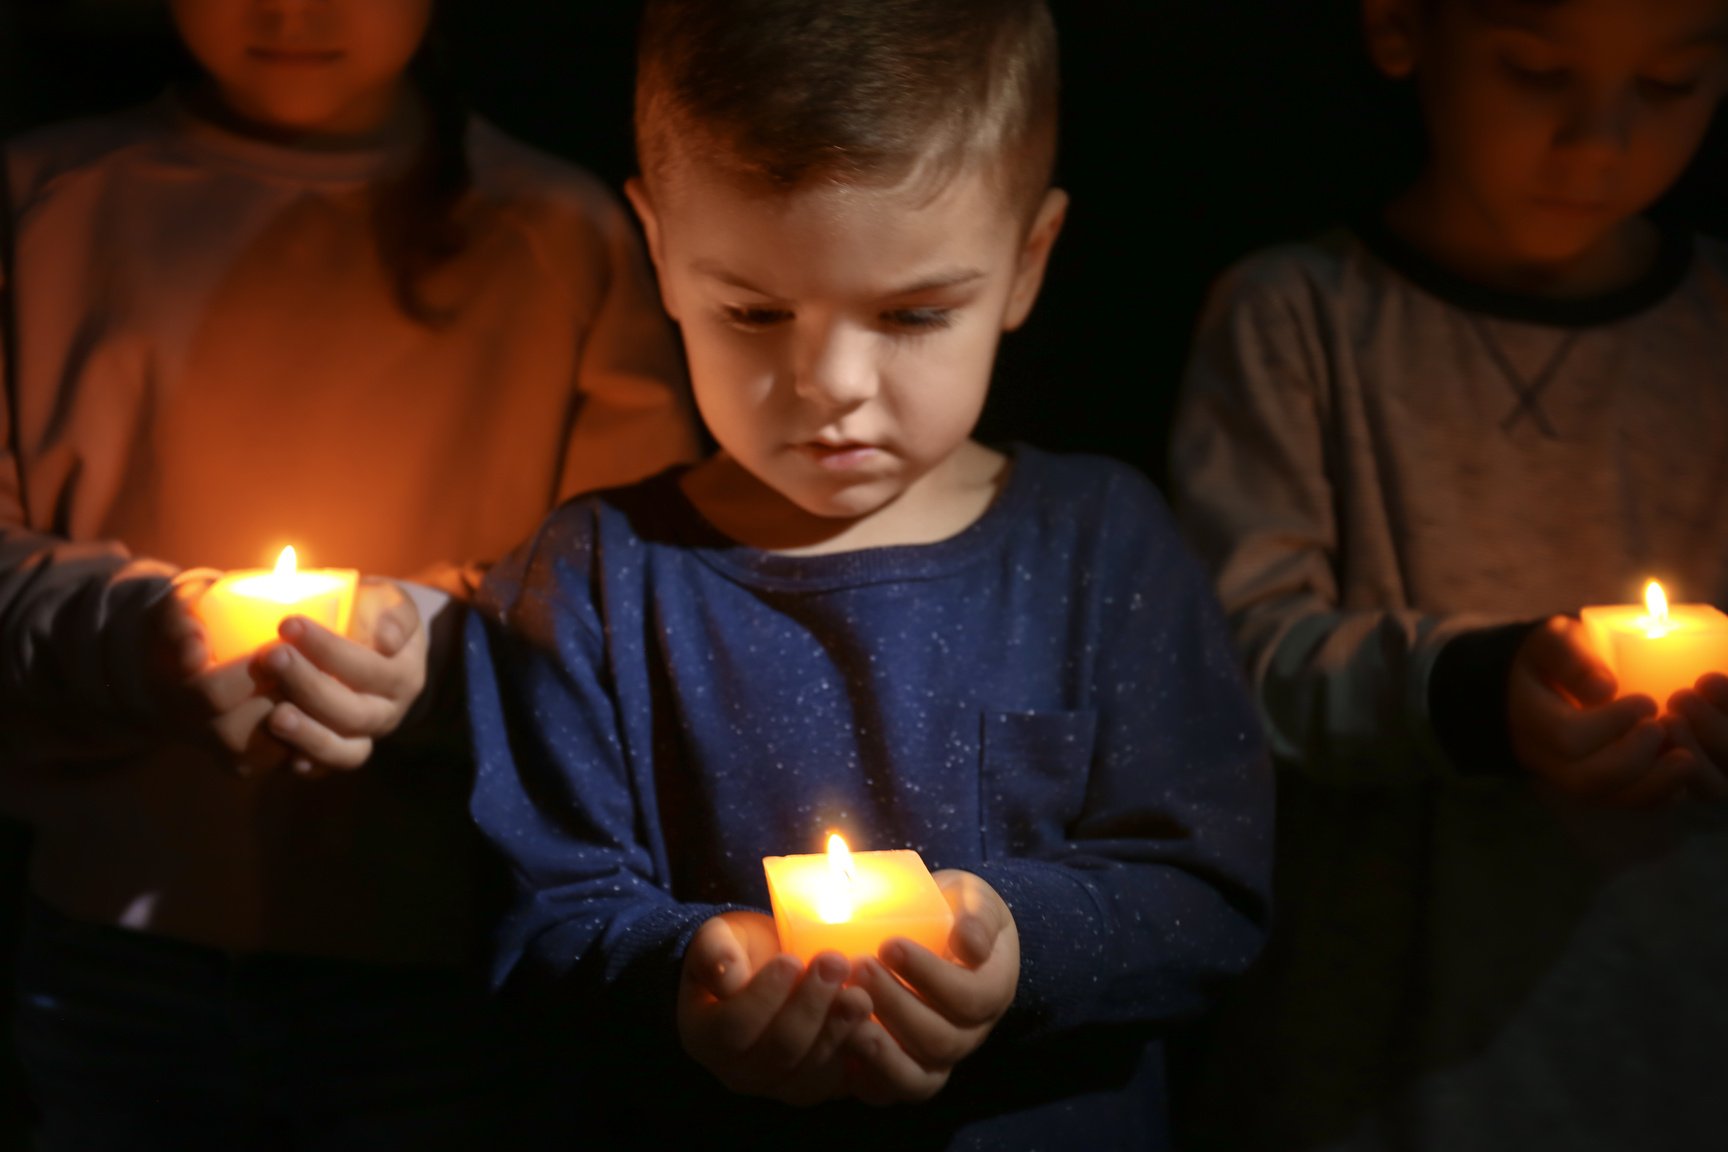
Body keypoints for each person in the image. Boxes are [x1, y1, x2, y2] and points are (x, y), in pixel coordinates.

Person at [462, 2, 1273, 1149]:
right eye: (754, 311)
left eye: (911, 314)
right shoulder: (594, 577)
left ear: (1026, 264)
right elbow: (536, 920)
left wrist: (1015, 947)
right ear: (659, 251)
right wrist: (690, 979)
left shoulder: (1101, 545)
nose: (831, 380)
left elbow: (1208, 893)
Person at [0, 0, 697, 1146]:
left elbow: (638, 594)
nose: (292, 7)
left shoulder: (561, 237)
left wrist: (431, 648)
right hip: (110, 943)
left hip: (439, 960)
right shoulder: (41, 203)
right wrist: (138, 633)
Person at [1169, 0, 1728, 1148]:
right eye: (1535, 73)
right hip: (1376, 1060)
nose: (1601, 142)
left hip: (1679, 1045)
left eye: (1670, 86)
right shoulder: (1296, 321)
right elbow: (1234, 665)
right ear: (1396, 26)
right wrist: (1476, 690)